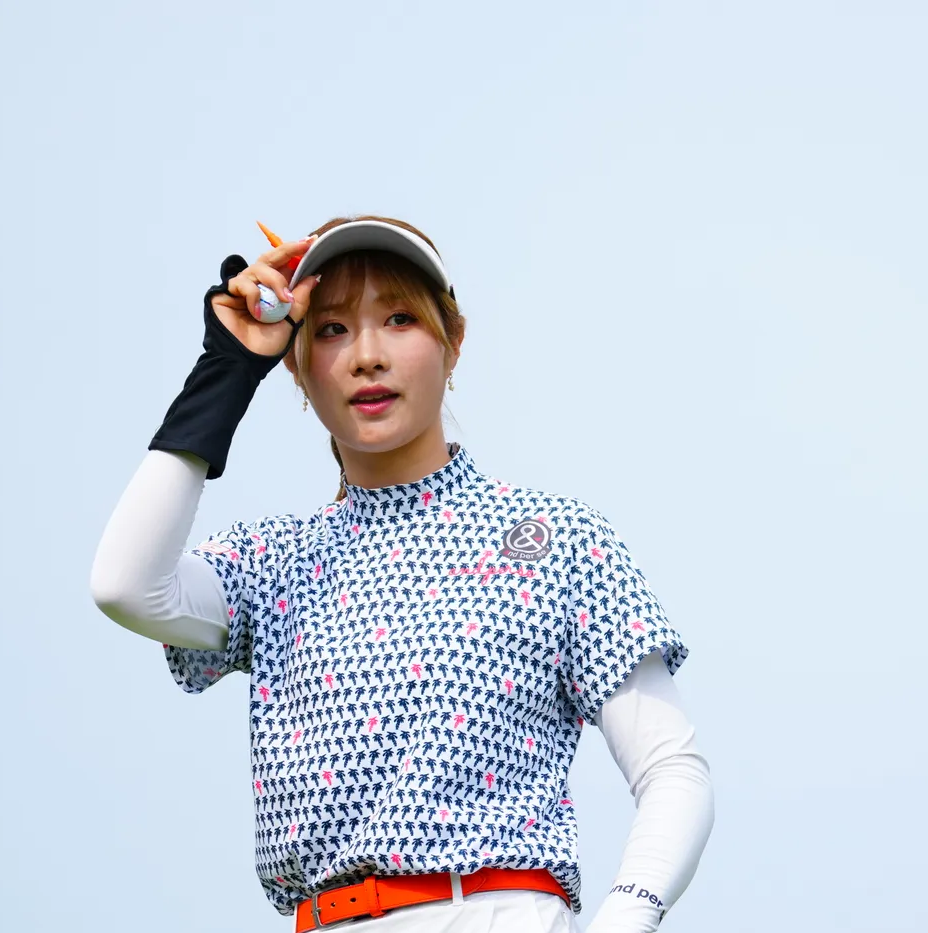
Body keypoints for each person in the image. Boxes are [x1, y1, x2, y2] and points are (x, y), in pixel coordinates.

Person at [90, 216, 715, 933]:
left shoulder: (555, 538)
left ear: (454, 343)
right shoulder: (271, 560)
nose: (367, 357)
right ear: (295, 366)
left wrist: (624, 918)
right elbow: (126, 585)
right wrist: (226, 370)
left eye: (399, 319)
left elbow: (672, 770)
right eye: (331, 330)